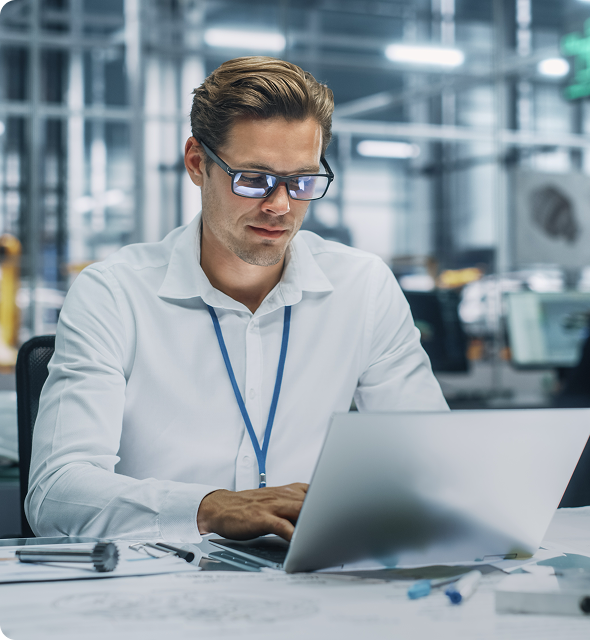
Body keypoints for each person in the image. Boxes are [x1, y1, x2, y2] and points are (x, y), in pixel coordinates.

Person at [26, 57, 448, 543]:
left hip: (309, 579)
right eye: (254, 178)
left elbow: (430, 462)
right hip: (159, 584)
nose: (280, 205)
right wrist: (207, 508)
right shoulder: (114, 294)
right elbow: (55, 493)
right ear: (197, 163)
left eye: (303, 180)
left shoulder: (363, 286)